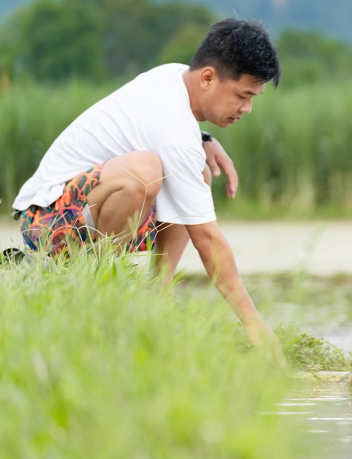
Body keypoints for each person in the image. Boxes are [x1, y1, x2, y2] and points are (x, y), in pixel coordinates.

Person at [11, 19, 282, 357]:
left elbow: (165, 132)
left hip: (83, 210)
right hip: (45, 221)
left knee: (195, 173)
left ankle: (156, 297)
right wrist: (254, 325)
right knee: (145, 171)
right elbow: (207, 240)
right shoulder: (175, 130)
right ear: (208, 78)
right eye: (243, 96)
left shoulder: (174, 75)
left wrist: (204, 139)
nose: (247, 109)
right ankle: (95, 296)